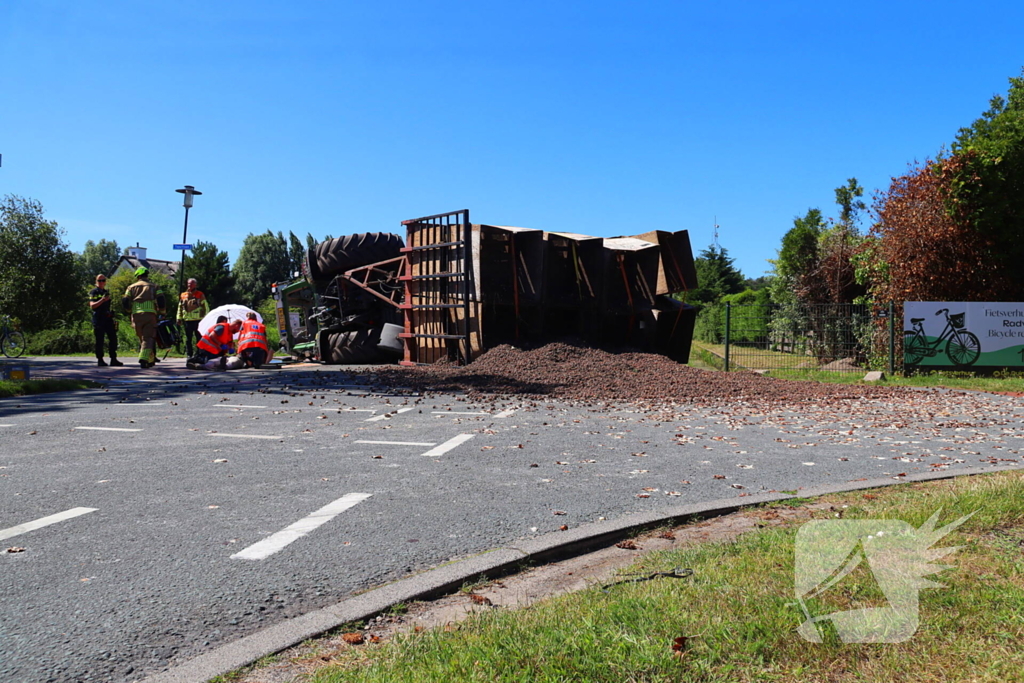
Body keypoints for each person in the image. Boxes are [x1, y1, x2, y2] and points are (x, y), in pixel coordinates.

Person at [121, 267, 165, 369]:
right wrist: (162, 312)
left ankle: (150, 360)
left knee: (142, 338)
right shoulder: (154, 286)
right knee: (148, 338)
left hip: (136, 315)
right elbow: (161, 299)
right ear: (146, 275)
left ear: (138, 276)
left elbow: (125, 301)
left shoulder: (131, 287)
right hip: (150, 314)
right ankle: (143, 358)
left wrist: (129, 310)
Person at [88, 274, 123, 367]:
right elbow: (92, 306)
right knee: (100, 340)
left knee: (113, 338)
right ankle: (100, 359)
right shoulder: (94, 292)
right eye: (99, 281)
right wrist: (102, 300)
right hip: (99, 319)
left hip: (107, 318)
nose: (101, 282)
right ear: (96, 282)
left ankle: (113, 358)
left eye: (103, 280)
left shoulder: (106, 292)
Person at [176, 278, 209, 357]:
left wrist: (206, 318)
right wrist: (178, 318)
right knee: (188, 339)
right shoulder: (183, 295)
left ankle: (199, 353)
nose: (189, 285)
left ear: (195, 285)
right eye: (188, 283)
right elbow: (180, 307)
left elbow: (206, 307)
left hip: (198, 320)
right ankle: (189, 354)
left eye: (191, 283)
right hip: (187, 320)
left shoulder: (200, 294)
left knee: (199, 338)